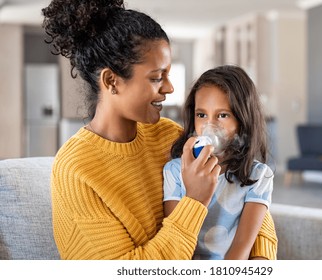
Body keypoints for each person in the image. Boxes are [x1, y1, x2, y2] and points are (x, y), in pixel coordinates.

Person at [42, 0, 277, 260]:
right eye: (156, 77)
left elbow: (243, 192)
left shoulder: (168, 135)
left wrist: (259, 261)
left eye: (168, 74)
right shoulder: (75, 169)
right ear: (111, 81)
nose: (170, 88)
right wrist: (195, 202)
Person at [163, 65, 277, 260]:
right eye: (201, 115)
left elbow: (242, 246)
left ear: (242, 120)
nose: (210, 125)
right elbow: (175, 241)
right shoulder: (175, 170)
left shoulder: (259, 176)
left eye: (222, 115)